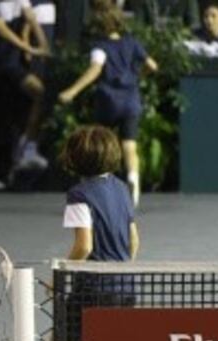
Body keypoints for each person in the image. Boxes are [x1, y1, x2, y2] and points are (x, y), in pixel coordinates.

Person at [53, 124, 139, 341]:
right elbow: (134, 241)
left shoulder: (78, 194)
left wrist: (60, 273)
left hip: (93, 288)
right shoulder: (122, 188)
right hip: (125, 287)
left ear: (76, 157)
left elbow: (84, 245)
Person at [58, 0, 158, 207]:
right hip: (131, 100)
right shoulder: (132, 42)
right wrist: (138, 77)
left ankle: (100, 190)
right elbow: (152, 65)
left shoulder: (100, 47)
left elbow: (95, 70)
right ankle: (133, 181)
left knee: (101, 146)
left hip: (108, 102)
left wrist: (72, 91)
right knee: (129, 145)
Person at [0, 0, 51, 191]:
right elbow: (1, 28)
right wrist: (28, 48)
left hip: (10, 63)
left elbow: (30, 16)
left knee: (38, 93)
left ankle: (26, 149)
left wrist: (43, 44)